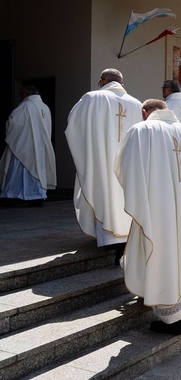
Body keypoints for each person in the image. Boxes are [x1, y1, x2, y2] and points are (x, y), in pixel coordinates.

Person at [114, 99, 181, 335]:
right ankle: (161, 301)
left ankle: (173, 318)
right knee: (174, 254)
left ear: (145, 112)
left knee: (157, 251)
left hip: (155, 208)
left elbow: (124, 168)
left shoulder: (141, 130)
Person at [65, 68, 142, 258]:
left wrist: (90, 148)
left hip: (101, 160)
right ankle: (124, 234)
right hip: (128, 164)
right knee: (123, 194)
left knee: (103, 191)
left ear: (103, 80)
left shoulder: (92, 98)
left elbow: (73, 125)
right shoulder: (136, 104)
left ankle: (108, 236)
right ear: (121, 83)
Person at [0, 86, 56, 207]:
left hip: (24, 146)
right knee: (38, 171)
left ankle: (14, 195)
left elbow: (13, 123)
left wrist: (11, 136)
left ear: (26, 94)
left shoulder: (25, 106)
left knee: (21, 170)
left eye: (21, 94)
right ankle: (37, 195)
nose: (20, 97)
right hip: (40, 147)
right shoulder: (44, 107)